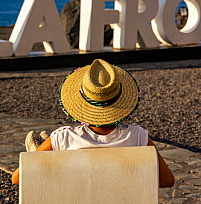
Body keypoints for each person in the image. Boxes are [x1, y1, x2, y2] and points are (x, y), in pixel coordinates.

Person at [12, 59, 174, 188]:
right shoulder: (137, 137)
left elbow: (17, 178)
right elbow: (167, 181)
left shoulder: (65, 137)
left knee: (50, 148)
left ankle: (38, 152)